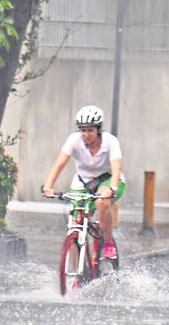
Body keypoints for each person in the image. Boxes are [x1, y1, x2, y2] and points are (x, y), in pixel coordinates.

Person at [42, 105, 125, 259]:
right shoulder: (74, 140)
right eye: (83, 130)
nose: (86, 134)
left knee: (102, 202)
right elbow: (60, 163)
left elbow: (116, 166)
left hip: (109, 179)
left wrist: (112, 188)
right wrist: (48, 186)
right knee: (74, 228)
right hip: (82, 182)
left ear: (98, 129)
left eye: (90, 130)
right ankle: (76, 277)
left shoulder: (110, 141)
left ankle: (108, 244)